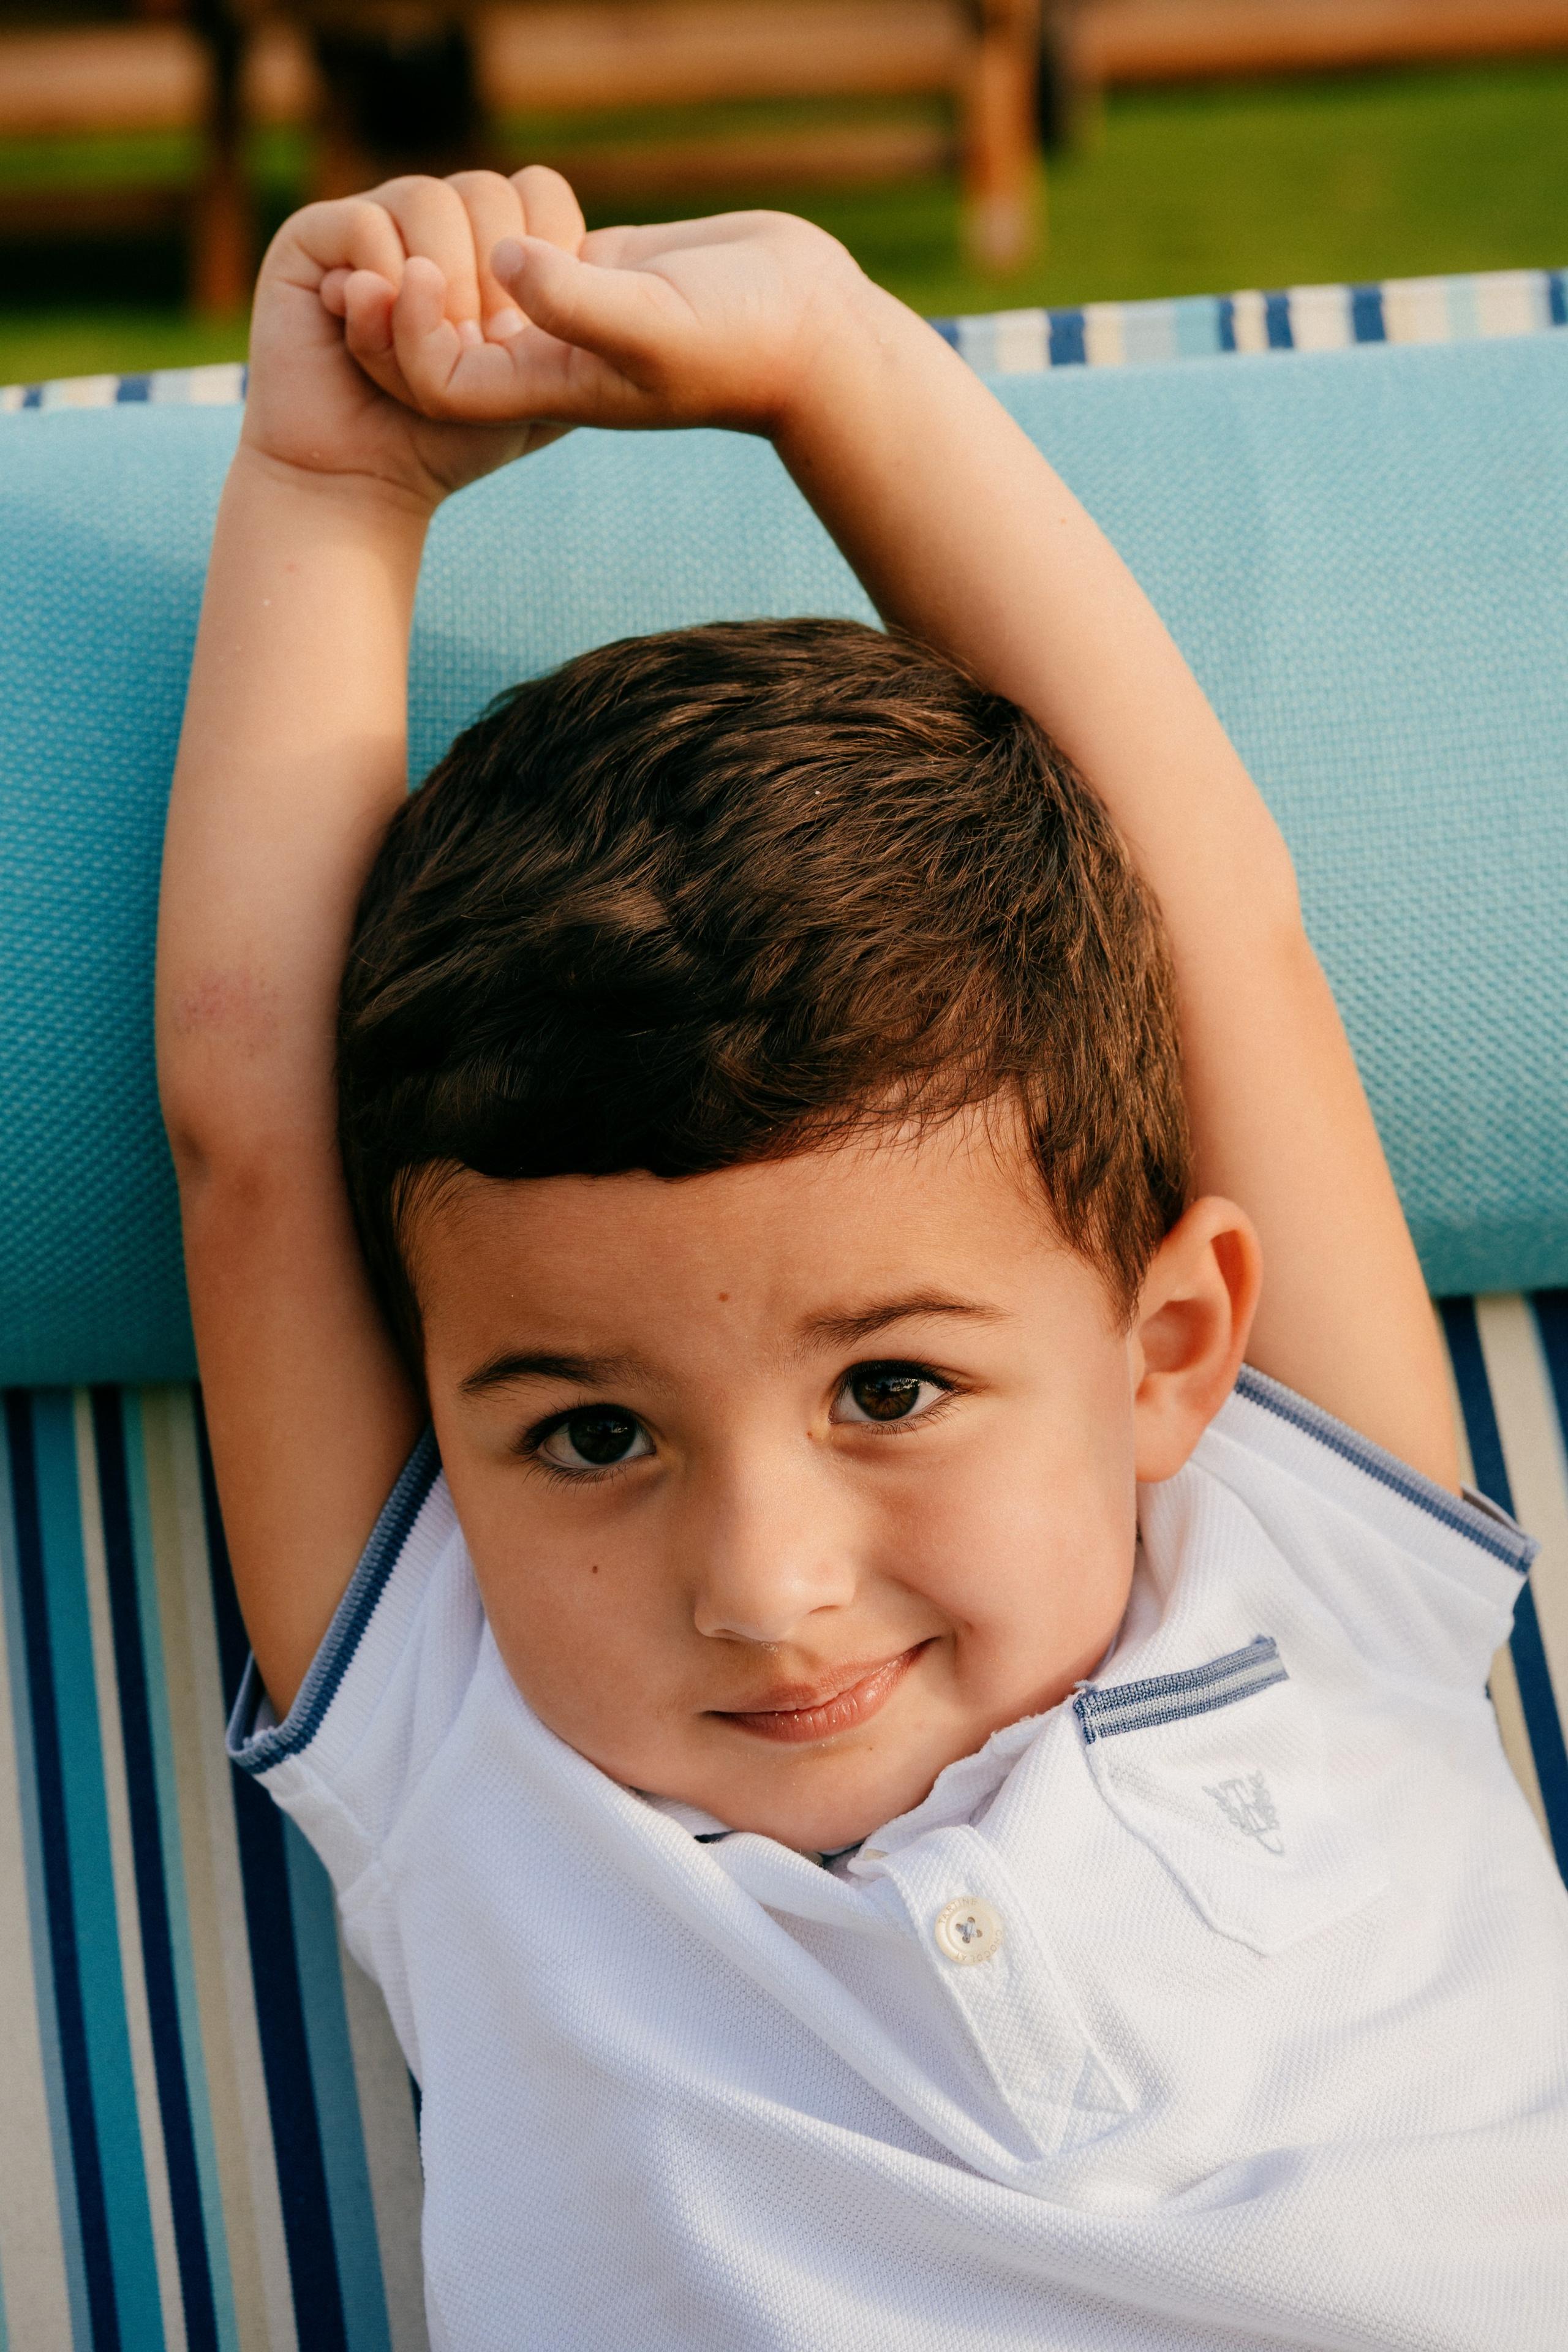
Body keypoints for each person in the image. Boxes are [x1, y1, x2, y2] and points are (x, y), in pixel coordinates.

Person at [156, 168, 1568, 2350]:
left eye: (890, 1389)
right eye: (594, 1433)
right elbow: (250, 1128)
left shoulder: (1305, 1537)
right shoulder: (470, 1749)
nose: (763, 1580)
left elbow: (1221, 926)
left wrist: (836, 362)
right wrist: (329, 484)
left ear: (1167, 1344)